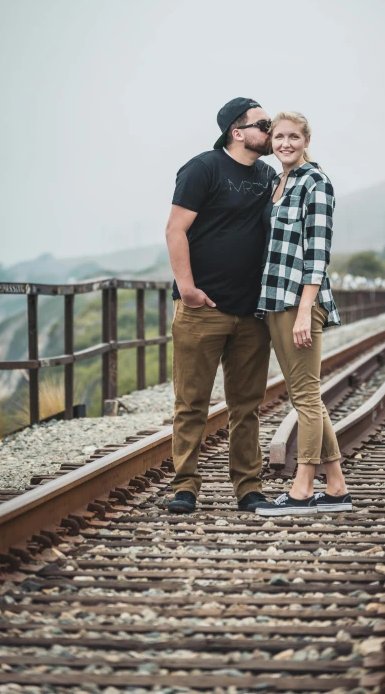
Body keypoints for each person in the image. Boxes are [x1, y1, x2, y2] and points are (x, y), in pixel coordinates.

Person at [165, 97, 276, 514]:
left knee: (246, 407)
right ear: (237, 131)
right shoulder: (203, 168)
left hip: (252, 312)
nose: (269, 129)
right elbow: (175, 230)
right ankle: (185, 487)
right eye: (263, 124)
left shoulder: (268, 175)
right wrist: (188, 289)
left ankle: (248, 488)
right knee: (192, 403)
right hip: (201, 308)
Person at [254, 111, 352, 517]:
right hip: (275, 299)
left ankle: (301, 490)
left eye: (293, 136)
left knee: (306, 398)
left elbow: (317, 253)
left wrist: (304, 310)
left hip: (299, 302)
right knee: (304, 395)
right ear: (271, 141)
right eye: (279, 137)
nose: (285, 143)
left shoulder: (316, 181)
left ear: (306, 138)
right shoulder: (279, 182)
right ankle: (336, 488)